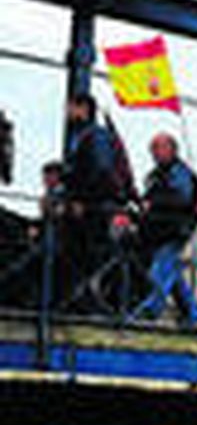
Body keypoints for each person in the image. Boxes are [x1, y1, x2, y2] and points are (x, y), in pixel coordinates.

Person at [132, 133, 197, 323]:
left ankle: (150, 311)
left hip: (174, 230)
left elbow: (182, 199)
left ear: (172, 149)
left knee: (160, 271)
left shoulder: (181, 173)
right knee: (172, 275)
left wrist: (152, 203)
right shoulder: (155, 175)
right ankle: (194, 315)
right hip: (158, 231)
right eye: (152, 149)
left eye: (158, 148)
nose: (154, 153)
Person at [61, 93, 122, 293]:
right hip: (88, 204)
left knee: (87, 254)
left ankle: (87, 302)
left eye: (71, 107)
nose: (68, 112)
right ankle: (78, 299)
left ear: (83, 108)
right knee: (79, 254)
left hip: (93, 207)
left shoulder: (94, 135)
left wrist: (83, 201)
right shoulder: (84, 135)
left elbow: (101, 171)